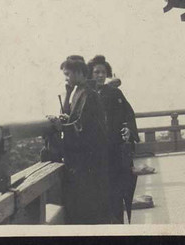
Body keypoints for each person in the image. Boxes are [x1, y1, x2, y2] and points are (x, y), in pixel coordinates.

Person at [47, 57, 111, 224]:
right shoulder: (80, 91)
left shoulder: (88, 94)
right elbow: (79, 121)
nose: (66, 78)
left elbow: (84, 128)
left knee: (88, 208)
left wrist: (62, 126)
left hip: (88, 162)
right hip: (86, 160)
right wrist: (67, 119)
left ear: (77, 72)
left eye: (67, 74)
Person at [86, 55, 140, 224]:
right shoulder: (87, 95)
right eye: (96, 72)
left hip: (115, 152)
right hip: (96, 155)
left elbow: (128, 114)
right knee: (100, 196)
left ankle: (119, 226)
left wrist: (128, 129)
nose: (100, 75)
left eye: (103, 72)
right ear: (90, 74)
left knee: (118, 193)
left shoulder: (115, 93)